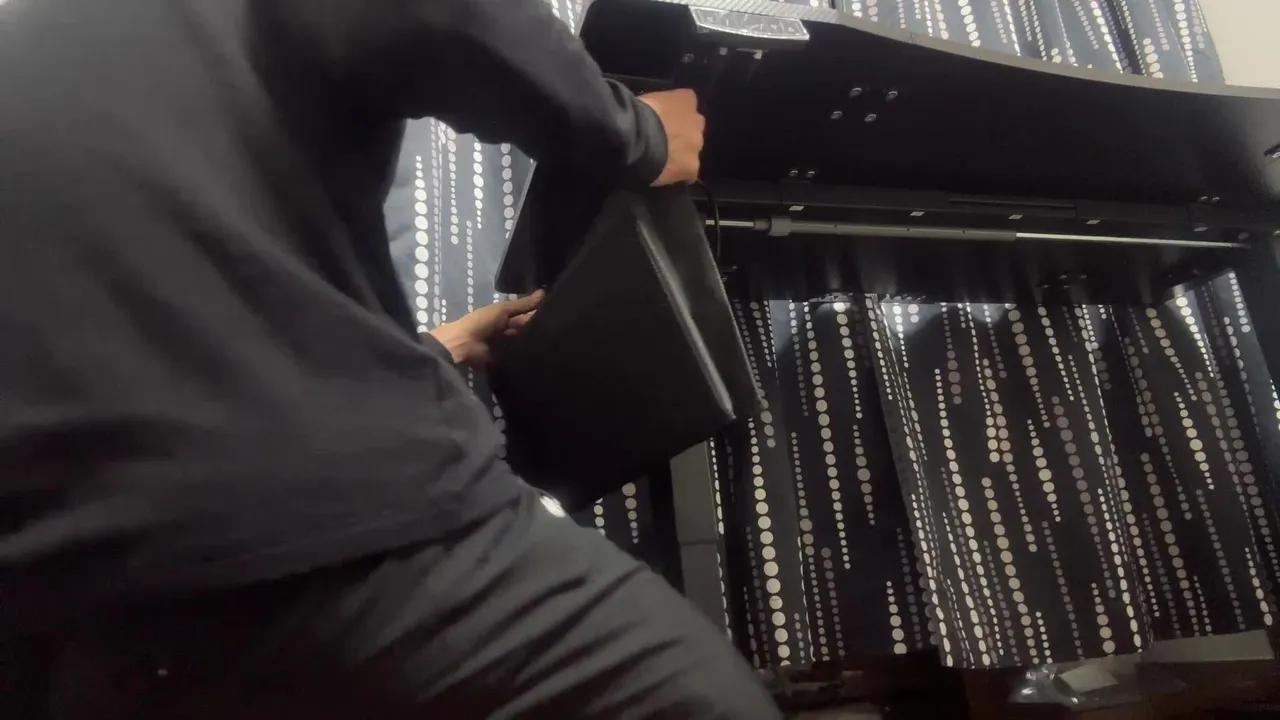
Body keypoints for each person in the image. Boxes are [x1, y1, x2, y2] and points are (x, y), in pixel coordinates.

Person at [0, 0, 782, 717]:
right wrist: (641, 136)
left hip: (46, 607)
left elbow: (140, 316)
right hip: (289, 535)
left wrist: (439, 347)